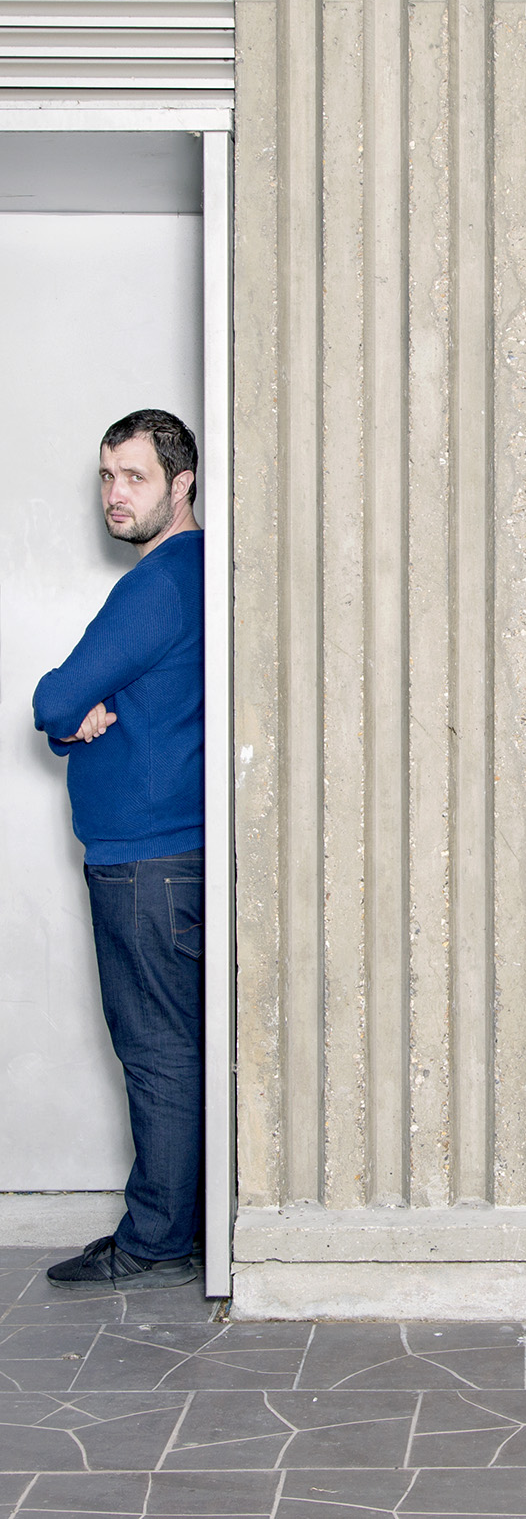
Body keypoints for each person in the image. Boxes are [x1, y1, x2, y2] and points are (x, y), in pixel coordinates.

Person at [32, 409, 205, 1292]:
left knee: (157, 1049)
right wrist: (77, 719)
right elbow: (75, 710)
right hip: (172, 855)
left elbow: (56, 695)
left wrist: (70, 717)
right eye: (107, 476)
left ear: (181, 484)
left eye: (133, 476)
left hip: (146, 861)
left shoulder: (160, 582)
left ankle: (154, 1241)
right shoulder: (202, 576)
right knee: (180, 1043)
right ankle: (181, 1222)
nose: (114, 494)